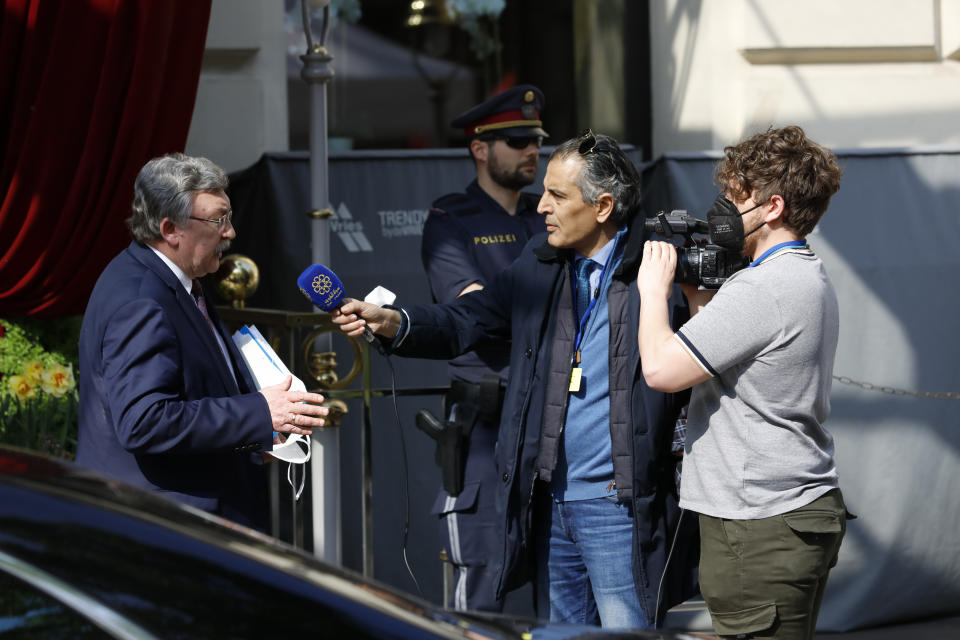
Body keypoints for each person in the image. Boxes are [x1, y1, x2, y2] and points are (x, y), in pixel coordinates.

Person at [333, 132, 698, 629]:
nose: (542, 205)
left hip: (621, 510)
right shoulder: (540, 261)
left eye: (559, 196)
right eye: (545, 191)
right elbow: (469, 319)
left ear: (604, 206)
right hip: (549, 503)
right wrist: (394, 322)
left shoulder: (661, 271)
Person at [636, 125, 849, 640]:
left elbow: (662, 370)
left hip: (759, 523)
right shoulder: (800, 274)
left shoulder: (762, 287)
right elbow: (727, 358)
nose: (723, 211)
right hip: (788, 512)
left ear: (772, 206)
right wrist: (694, 299)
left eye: (736, 197)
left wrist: (651, 289)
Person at [77, 153, 328, 532]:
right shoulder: (143, 299)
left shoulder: (176, 277)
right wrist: (260, 413)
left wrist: (257, 435)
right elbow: (144, 422)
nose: (230, 232)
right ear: (170, 228)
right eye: (217, 219)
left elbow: (194, 388)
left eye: (228, 218)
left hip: (192, 516)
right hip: (167, 526)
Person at [419, 84, 547, 612]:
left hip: (551, 414)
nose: (532, 151)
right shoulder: (451, 220)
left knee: (563, 581)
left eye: (536, 140)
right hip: (485, 421)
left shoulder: (549, 214)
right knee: (481, 584)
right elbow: (474, 314)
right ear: (480, 149)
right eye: (517, 140)